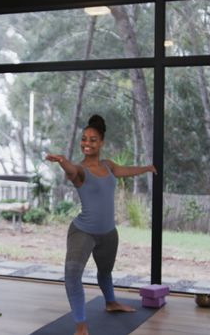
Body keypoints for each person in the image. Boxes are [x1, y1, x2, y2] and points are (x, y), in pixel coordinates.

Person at [45, 114, 156, 335]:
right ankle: (81, 325)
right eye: (84, 139)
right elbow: (70, 171)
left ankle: (111, 302)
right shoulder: (79, 170)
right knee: (72, 275)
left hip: (108, 233)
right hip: (83, 232)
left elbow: (125, 170)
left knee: (105, 272)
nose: (87, 143)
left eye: (92, 139)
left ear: (101, 142)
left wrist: (146, 168)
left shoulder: (108, 165)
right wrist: (61, 161)